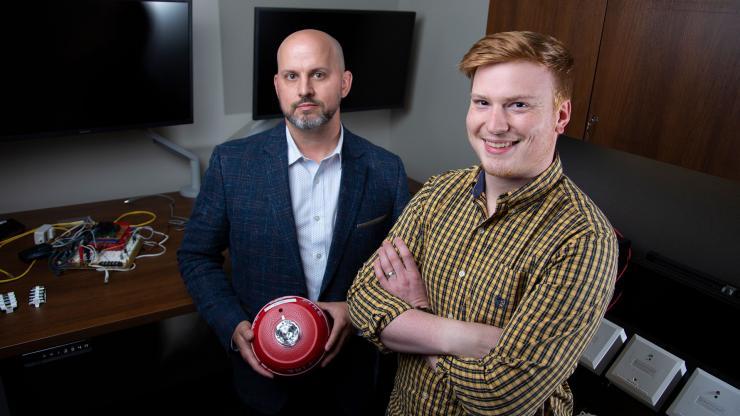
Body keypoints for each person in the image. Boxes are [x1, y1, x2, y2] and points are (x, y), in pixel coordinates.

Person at [347, 31, 618, 415]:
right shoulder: (439, 192)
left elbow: (499, 397)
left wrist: (414, 318)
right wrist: (467, 338)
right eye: (482, 102)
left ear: (561, 116)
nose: (494, 124)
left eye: (518, 105)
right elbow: (362, 301)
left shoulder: (583, 239)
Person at [178, 29, 409, 416]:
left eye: (319, 74)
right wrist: (232, 325)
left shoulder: (386, 170)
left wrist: (356, 310)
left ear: (345, 82)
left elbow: (404, 271)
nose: (304, 89)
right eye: (291, 76)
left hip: (350, 377)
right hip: (262, 382)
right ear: (277, 85)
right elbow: (196, 256)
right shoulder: (231, 164)